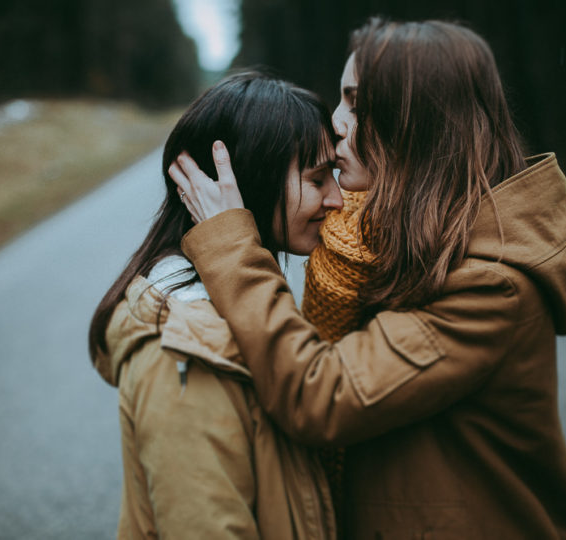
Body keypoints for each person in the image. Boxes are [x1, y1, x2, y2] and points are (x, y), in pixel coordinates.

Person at [168, 16, 566, 539]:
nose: (336, 122)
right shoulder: (395, 237)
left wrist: (233, 249)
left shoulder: (493, 283)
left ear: (419, 121)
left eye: (355, 102)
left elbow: (319, 394)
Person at [88, 71, 343, 539]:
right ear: (247, 181)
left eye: (336, 175)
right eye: (317, 178)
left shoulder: (233, 301)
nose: (338, 198)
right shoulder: (187, 349)